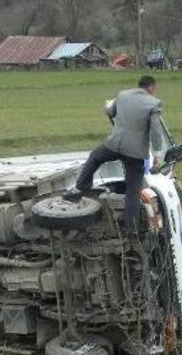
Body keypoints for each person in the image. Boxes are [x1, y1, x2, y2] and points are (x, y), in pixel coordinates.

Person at [64, 75, 165, 238]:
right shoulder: (154, 104)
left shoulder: (122, 95)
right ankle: (130, 228)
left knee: (95, 158)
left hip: (114, 145)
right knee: (133, 190)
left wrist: (107, 106)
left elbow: (110, 111)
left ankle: (82, 186)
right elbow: (155, 131)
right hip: (135, 153)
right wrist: (157, 155)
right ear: (151, 88)